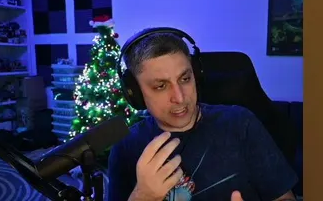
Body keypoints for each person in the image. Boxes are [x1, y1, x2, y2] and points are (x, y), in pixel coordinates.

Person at [105, 29, 298, 201]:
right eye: (161, 86)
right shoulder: (125, 147)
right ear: (135, 94)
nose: (180, 97)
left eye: (185, 79)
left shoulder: (240, 123)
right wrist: (142, 196)